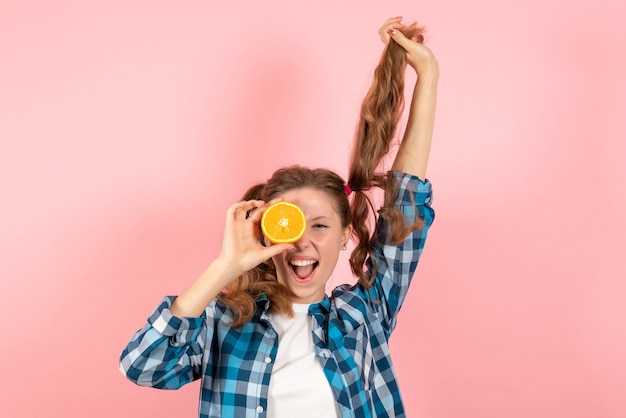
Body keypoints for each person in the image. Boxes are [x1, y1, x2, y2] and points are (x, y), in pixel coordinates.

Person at [120, 16, 438, 418]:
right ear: (266, 236)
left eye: (320, 226)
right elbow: (143, 367)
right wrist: (225, 266)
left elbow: (406, 201)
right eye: (289, 226)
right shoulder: (226, 323)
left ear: (345, 235)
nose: (302, 242)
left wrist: (427, 75)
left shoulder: (364, 313)